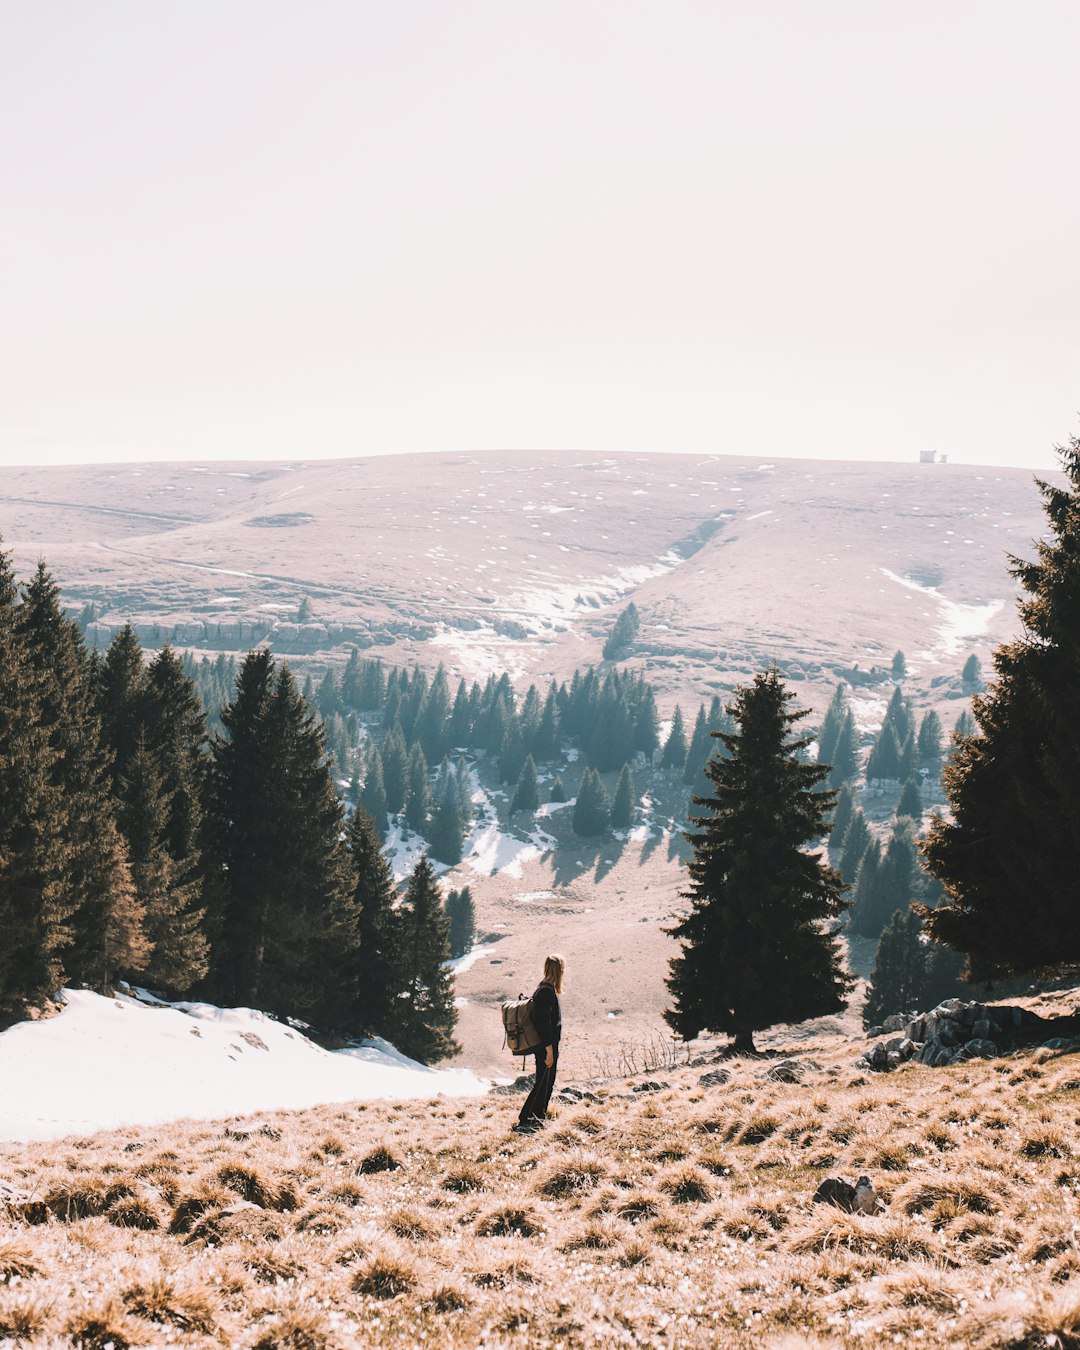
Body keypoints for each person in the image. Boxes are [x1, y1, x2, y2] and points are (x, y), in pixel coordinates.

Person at [513, 953, 564, 1134]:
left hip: (545, 1045)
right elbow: (543, 1024)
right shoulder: (546, 992)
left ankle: (534, 1116)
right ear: (559, 971)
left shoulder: (543, 989)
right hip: (546, 1046)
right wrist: (549, 1050)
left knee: (544, 1081)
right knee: (544, 1082)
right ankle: (529, 1118)